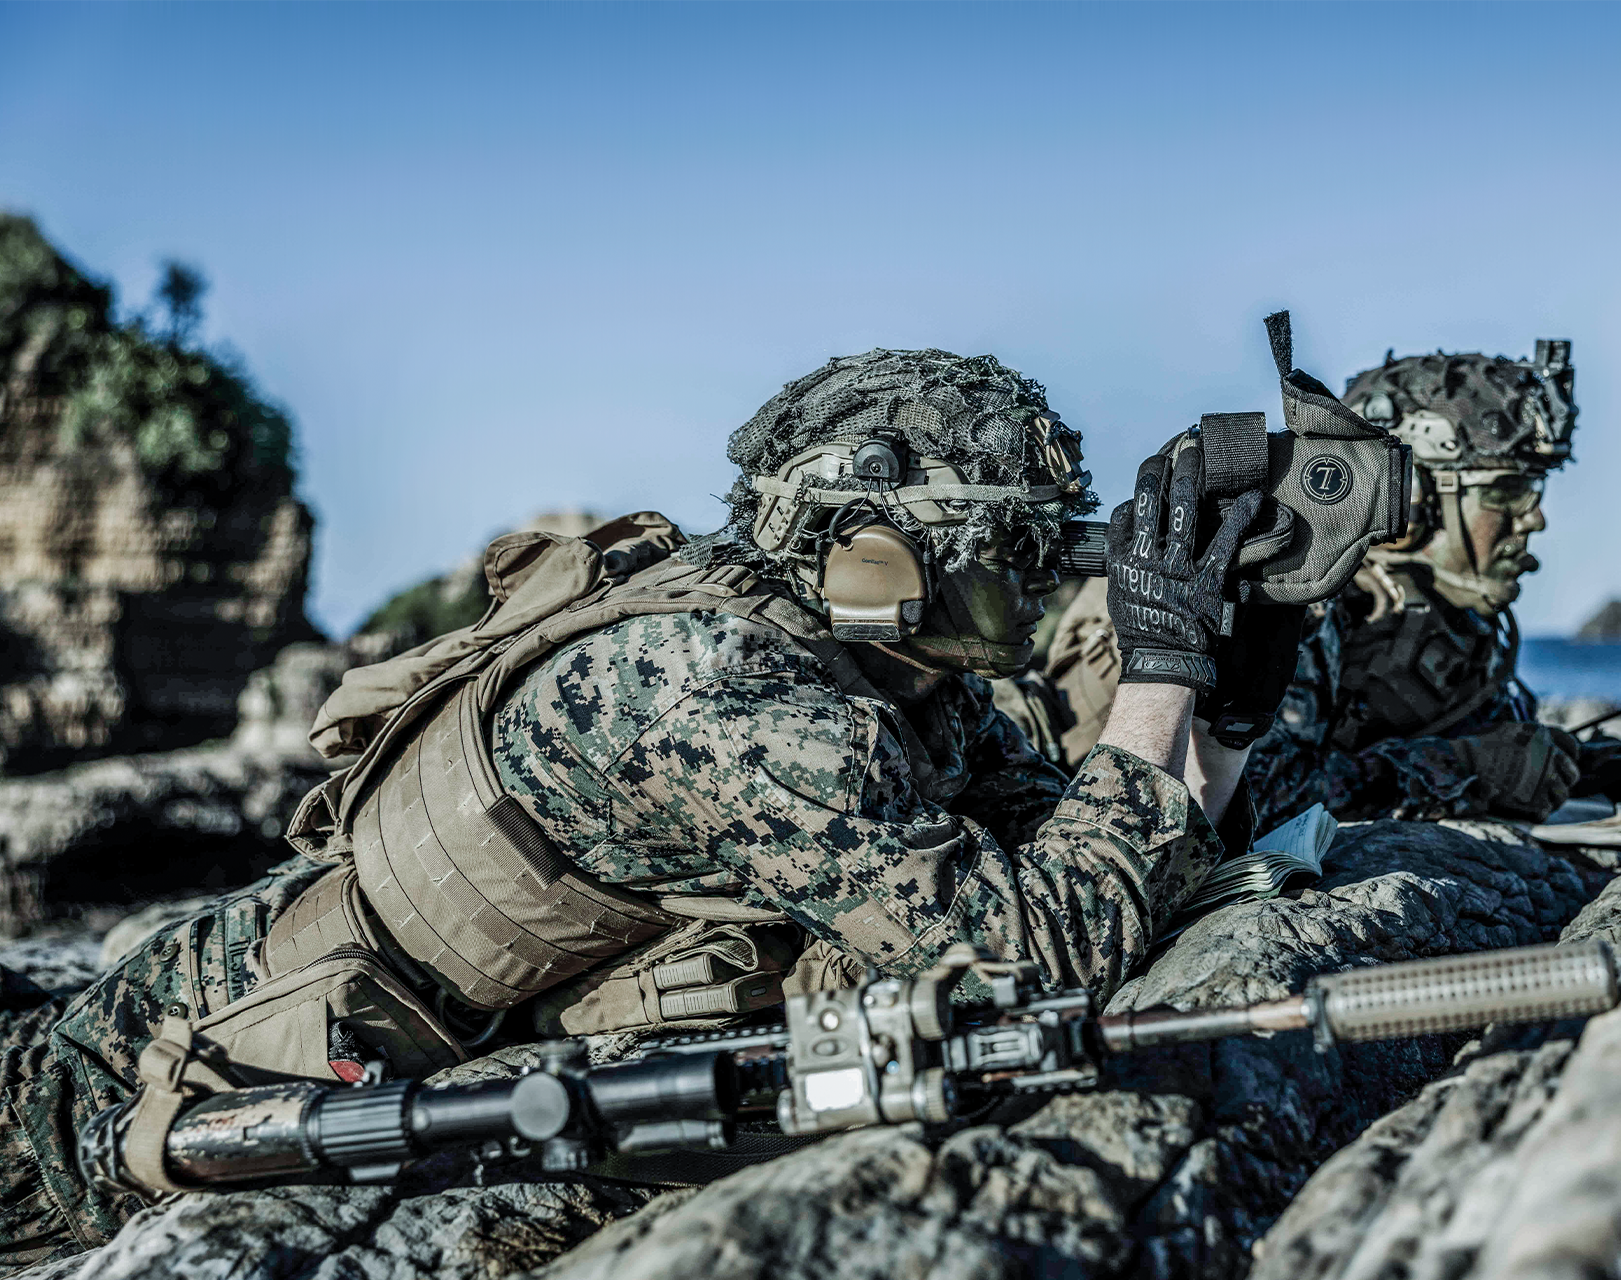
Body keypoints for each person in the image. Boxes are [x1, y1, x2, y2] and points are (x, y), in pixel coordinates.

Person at [0, 347, 1291, 1262]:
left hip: (323, 1010)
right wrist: (1156, 679)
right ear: (868, 555)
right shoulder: (717, 689)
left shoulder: (873, 670)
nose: (1039, 579)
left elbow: (1070, 875)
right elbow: (1033, 953)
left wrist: (1218, 710)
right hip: (166, 1075)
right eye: (1008, 552)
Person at [1000, 341, 1621, 850]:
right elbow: (1262, 801)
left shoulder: (1441, 622)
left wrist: (1615, 766)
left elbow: (1492, 737)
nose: (1535, 519)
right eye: (1509, 493)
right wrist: (1474, 774)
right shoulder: (1300, 596)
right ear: (1418, 499)